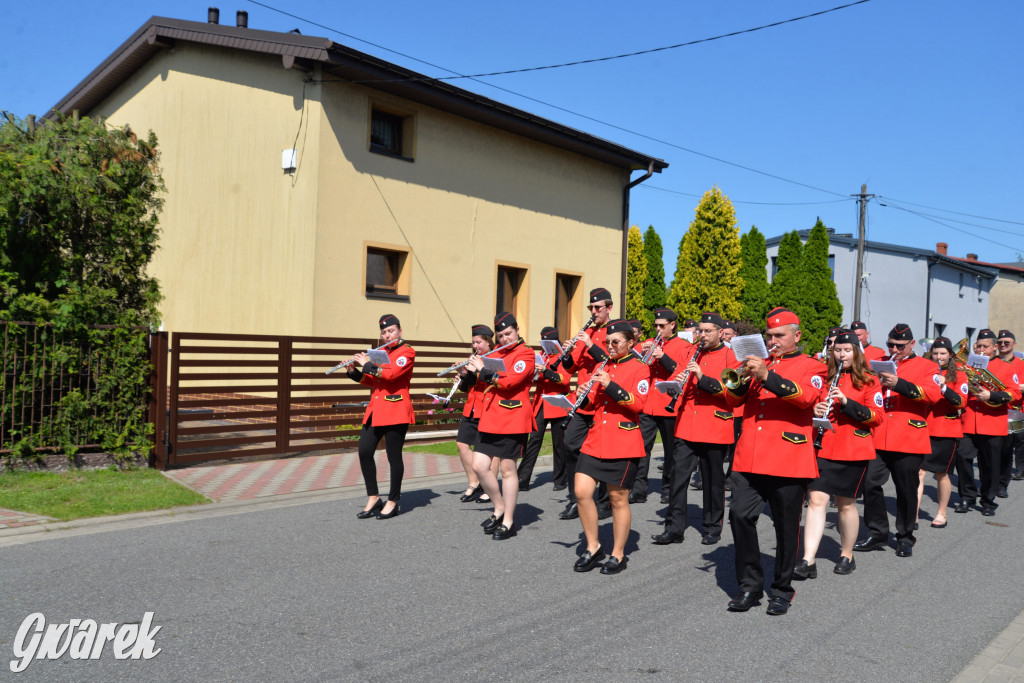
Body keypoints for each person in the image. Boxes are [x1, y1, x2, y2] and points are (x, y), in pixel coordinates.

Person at [724, 307, 826, 616]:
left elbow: (808, 398)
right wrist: (741, 378)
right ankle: (750, 586)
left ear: (796, 336)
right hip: (750, 456)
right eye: (769, 335)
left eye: (779, 335)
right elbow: (731, 401)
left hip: (788, 458)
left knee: (786, 528)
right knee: (740, 516)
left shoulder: (813, 366)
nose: (772, 340)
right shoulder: (758, 364)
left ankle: (782, 589)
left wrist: (768, 376)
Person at [796, 331, 883, 578]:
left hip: (852, 449)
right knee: (816, 500)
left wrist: (847, 403)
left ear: (856, 351)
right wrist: (816, 408)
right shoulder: (824, 378)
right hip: (824, 447)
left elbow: (877, 417)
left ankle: (847, 554)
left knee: (845, 504)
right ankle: (808, 559)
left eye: (846, 350)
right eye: (837, 350)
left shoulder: (868, 381)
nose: (841, 354)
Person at [853, 323, 941, 557]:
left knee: (906, 489)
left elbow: (932, 395)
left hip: (908, 436)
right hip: (878, 434)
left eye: (900, 346)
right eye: (891, 344)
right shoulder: (877, 361)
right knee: (870, 483)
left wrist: (899, 384)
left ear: (912, 344)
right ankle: (877, 531)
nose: (894, 349)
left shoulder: (928, 366)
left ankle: (905, 536)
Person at [653, 312, 739, 547]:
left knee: (713, 481)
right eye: (700, 331)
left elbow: (733, 391)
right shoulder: (689, 351)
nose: (702, 335)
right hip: (687, 425)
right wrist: (673, 387)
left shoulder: (731, 357)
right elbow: (675, 375)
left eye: (707, 331)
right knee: (678, 478)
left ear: (721, 332)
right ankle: (674, 528)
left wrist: (701, 377)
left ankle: (712, 527)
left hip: (715, 426)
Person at [571, 319, 650, 574]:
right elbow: (591, 405)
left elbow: (638, 404)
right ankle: (593, 547)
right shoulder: (601, 364)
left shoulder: (640, 368)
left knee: (618, 498)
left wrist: (609, 385)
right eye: (607, 343)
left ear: (630, 342)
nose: (610, 346)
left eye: (615, 342)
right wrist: (582, 393)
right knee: (582, 492)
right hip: (596, 440)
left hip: (623, 441)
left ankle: (618, 553)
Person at [467, 312, 536, 539]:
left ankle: (508, 521)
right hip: (490, 417)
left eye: (509, 334)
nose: (505, 339)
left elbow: (509, 382)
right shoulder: (496, 352)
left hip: (512, 418)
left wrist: (483, 370)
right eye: (501, 335)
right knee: (478, 466)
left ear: (517, 330)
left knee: (507, 470)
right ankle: (499, 507)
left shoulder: (525, 353)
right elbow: (482, 380)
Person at [346, 314, 415, 520]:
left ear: (400, 331)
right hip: (376, 409)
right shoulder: (380, 352)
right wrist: (354, 372)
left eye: (391, 331)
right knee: (364, 451)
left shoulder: (407, 351)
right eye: (384, 332)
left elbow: (391, 375)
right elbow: (373, 381)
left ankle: (393, 501)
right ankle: (374, 497)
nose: (387, 335)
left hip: (396, 410)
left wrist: (367, 363)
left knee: (394, 456)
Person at [559, 287, 615, 521]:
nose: (593, 312)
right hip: (583, 399)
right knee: (570, 445)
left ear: (609, 308)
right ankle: (576, 498)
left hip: (603, 399)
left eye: (597, 308)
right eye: (590, 308)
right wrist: (568, 352)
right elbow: (571, 368)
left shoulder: (615, 329)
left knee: (603, 451)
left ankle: (604, 501)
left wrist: (591, 344)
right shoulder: (586, 331)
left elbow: (612, 359)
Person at [956, 329, 1021, 516]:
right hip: (968, 420)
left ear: (994, 348)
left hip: (993, 422)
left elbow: (1015, 393)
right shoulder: (967, 365)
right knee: (963, 458)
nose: (981, 349)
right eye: (978, 346)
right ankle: (967, 497)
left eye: (986, 346)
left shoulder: (1007, 367)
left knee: (990, 465)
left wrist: (991, 395)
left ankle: (987, 501)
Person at [635, 307, 691, 505]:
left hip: (668, 404)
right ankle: (639, 489)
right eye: (655, 325)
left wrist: (662, 356)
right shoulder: (648, 343)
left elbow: (680, 371)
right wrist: (640, 354)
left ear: (672, 325)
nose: (657, 329)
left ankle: (668, 489)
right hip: (648, 404)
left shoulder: (683, 346)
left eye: (662, 326)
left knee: (670, 451)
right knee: (641, 447)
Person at [917, 337, 967, 528]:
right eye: (935, 353)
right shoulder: (926, 371)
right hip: (923, 427)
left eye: (942, 354)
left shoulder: (959, 375)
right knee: (918, 472)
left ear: (950, 355)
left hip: (946, 429)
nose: (938, 357)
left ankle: (941, 513)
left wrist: (944, 387)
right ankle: (913, 513)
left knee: (941, 474)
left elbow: (961, 402)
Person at [517, 326, 571, 491]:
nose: (544, 346)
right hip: (541, 403)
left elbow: (564, 380)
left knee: (559, 443)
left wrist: (546, 371)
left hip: (557, 402)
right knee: (534, 440)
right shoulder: (540, 356)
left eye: (547, 342)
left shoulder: (563, 356)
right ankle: (523, 478)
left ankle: (560, 480)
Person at [452, 325, 499, 503]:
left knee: (489, 450)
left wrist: (478, 370)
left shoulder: (496, 358)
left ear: (488, 341)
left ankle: (490, 486)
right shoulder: (472, 358)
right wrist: (462, 374)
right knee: (462, 444)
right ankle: (475, 481)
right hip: (471, 406)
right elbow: (467, 387)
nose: (475, 346)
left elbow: (496, 383)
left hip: (488, 408)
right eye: (473, 342)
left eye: (478, 342)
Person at [995, 330, 1024, 493]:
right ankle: (990, 483)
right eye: (1000, 342)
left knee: (1010, 447)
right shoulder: (991, 362)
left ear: (1014, 344)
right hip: (993, 410)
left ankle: (1002, 484)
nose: (1003, 345)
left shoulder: (1022, 364)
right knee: (991, 449)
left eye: (1007, 342)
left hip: (1015, 410)